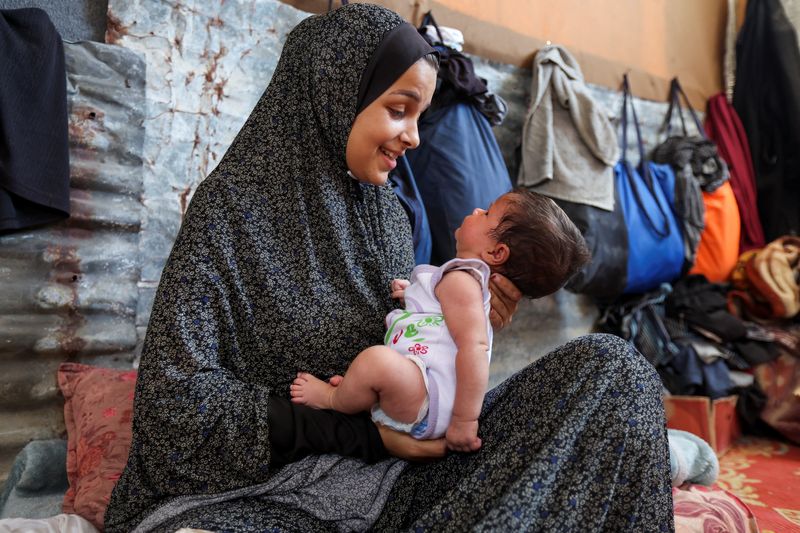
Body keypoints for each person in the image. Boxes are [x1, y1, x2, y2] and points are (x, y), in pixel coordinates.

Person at [105, 4, 673, 532]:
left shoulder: (387, 216)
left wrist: (464, 322)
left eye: (420, 115)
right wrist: (368, 437)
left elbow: (414, 346)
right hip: (273, 494)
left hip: (401, 477)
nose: (415, 137)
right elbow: (174, 407)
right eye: (398, 110)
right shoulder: (231, 215)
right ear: (334, 94)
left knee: (614, 370)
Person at [290, 189, 591, 453]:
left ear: (496, 252)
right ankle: (364, 393)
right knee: (378, 370)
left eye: (487, 213)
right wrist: (415, 294)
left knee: (375, 363)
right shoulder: (467, 287)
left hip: (426, 395)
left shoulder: (463, 282)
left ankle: (333, 398)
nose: (476, 211)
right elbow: (440, 318)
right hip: (421, 390)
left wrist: (464, 420)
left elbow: (473, 349)